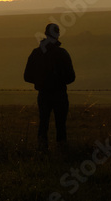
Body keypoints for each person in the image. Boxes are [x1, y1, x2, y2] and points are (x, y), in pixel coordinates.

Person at [23, 23, 76, 151]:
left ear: (45, 34)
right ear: (58, 35)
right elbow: (71, 77)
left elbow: (27, 76)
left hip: (43, 94)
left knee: (43, 123)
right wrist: (58, 81)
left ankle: (42, 150)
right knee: (61, 125)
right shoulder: (63, 53)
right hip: (60, 94)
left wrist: (41, 82)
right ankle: (61, 150)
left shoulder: (36, 53)